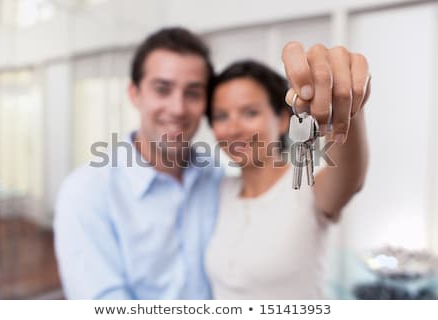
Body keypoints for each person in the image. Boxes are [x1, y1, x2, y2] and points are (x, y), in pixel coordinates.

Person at [54, 26, 370, 299]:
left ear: (283, 118)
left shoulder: (218, 177)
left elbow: (349, 179)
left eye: (192, 93)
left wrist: (348, 109)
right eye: (162, 89)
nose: (177, 108)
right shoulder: (86, 192)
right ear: (135, 94)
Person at [204, 58, 370, 299]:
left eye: (250, 112)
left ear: (283, 119)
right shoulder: (221, 190)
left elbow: (350, 178)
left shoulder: (307, 185)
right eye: (221, 116)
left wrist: (346, 103)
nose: (233, 129)